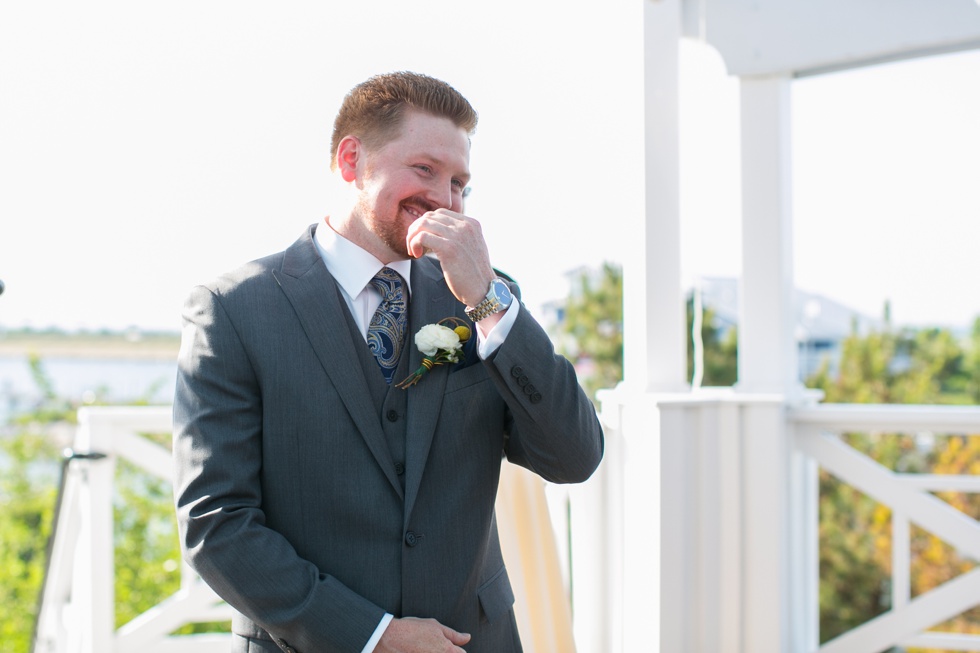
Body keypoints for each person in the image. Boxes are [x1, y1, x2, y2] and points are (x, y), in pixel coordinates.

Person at [172, 71, 603, 653]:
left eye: (460, 183)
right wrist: (372, 637)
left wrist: (490, 302)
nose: (446, 198)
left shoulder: (481, 298)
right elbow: (217, 522)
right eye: (425, 170)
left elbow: (574, 456)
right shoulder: (234, 309)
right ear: (352, 160)